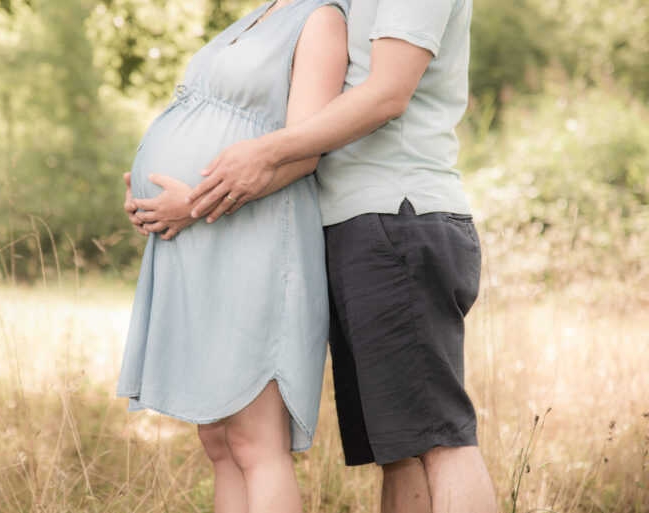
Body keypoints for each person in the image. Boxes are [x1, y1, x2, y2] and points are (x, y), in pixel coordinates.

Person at [125, 0, 498, 511]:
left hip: (398, 215)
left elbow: (389, 93)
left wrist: (262, 153)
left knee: (438, 439)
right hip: (352, 224)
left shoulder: (333, 16)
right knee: (402, 451)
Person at [115, 1, 349, 512]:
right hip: (206, 241)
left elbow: (302, 150)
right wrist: (151, 199)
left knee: (255, 441)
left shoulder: (322, 18)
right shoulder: (260, 13)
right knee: (219, 442)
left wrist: (192, 202)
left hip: (257, 237)